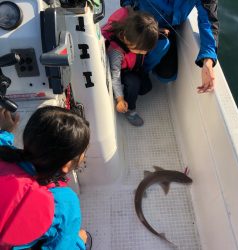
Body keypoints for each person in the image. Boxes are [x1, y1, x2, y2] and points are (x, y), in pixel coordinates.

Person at [0, 107, 91, 250]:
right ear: (67, 165)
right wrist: (79, 242)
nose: (83, 155)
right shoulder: (64, 202)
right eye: (82, 152)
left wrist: (4, 131)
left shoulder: (4, 155)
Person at [120, 0, 219, 93]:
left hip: (167, 29)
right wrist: (128, 10)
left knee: (166, 75)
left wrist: (208, 60)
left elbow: (208, 21)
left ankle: (143, 68)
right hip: (140, 23)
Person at [102, 7, 160, 126]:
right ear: (126, 39)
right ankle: (129, 110)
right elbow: (115, 76)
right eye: (140, 51)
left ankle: (129, 89)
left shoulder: (137, 35)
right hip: (122, 72)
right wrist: (120, 99)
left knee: (145, 89)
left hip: (134, 66)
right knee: (134, 83)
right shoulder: (116, 52)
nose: (143, 53)